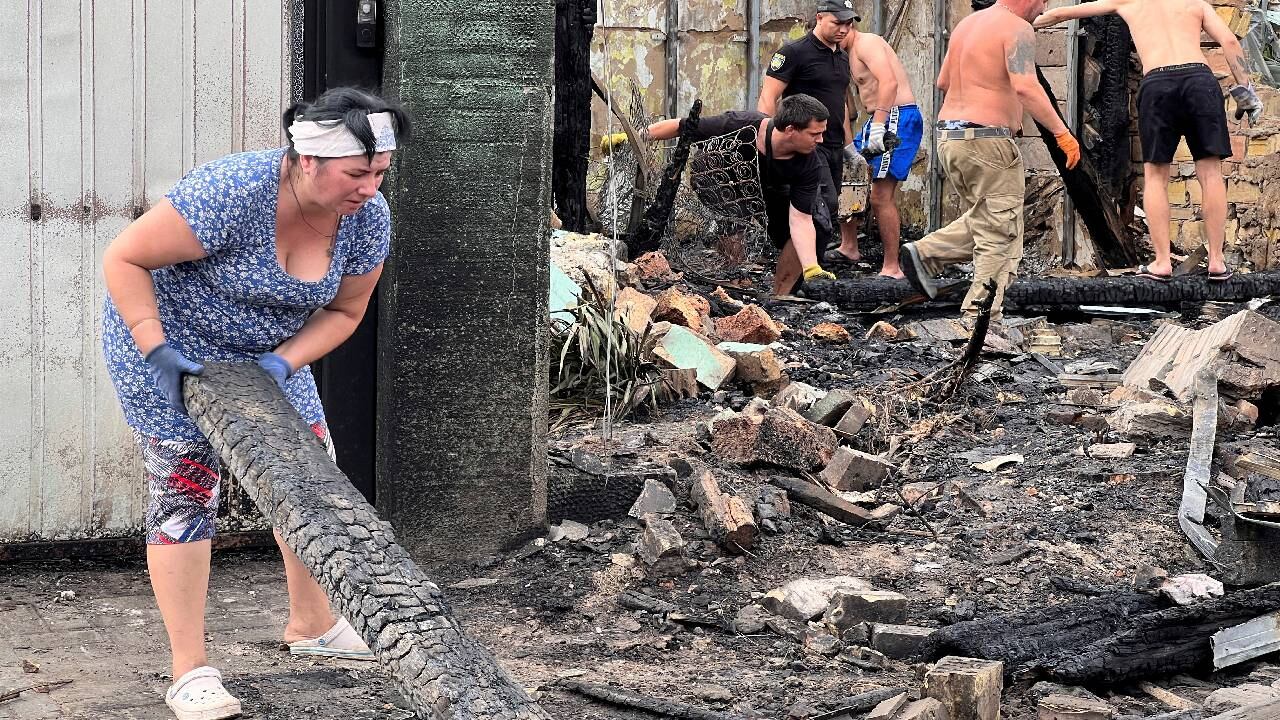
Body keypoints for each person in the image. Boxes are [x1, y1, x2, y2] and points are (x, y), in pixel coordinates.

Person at [101, 87, 410, 720]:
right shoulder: (232, 192)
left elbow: (347, 310)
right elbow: (124, 257)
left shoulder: (368, 219)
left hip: (268, 355)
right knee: (187, 494)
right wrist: (154, 349)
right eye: (358, 173)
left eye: (380, 172)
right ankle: (189, 670)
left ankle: (313, 625)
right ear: (307, 162)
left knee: (308, 475)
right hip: (168, 346)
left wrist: (283, 363)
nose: (371, 189)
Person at [1034, 0, 1261, 282]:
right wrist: (1245, 90)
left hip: (1159, 84)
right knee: (1211, 173)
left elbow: (1060, 13)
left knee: (1156, 177)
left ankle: (1162, 262)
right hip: (1200, 81)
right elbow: (1228, 40)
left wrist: (1016, 25)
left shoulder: (1128, 1)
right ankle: (1217, 261)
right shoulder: (1195, 3)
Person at [898, 0, 1081, 322]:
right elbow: (1026, 86)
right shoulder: (1016, 27)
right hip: (987, 140)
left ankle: (926, 253)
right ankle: (979, 320)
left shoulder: (968, 25)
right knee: (1001, 233)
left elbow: (943, 82)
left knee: (988, 219)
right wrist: (1061, 133)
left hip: (951, 138)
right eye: (1043, 0)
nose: (1045, 6)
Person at [603, 94, 835, 295]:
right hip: (717, 175)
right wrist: (633, 137)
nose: (820, 140)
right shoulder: (741, 125)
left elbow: (801, 220)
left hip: (766, 186)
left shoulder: (809, 163)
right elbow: (682, 126)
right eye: (815, 134)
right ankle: (731, 280)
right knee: (735, 219)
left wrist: (812, 268)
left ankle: (780, 296)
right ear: (791, 130)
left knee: (817, 222)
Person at [758, 0, 856, 273]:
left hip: (832, 143)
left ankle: (809, 271)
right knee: (821, 209)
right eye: (838, 22)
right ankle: (806, 274)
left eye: (849, 24)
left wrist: (849, 147)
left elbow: (841, 104)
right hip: (807, 146)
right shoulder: (794, 53)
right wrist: (766, 138)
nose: (844, 29)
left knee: (829, 210)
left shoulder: (842, 56)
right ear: (819, 18)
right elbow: (769, 96)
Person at [842, 22, 923, 278]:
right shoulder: (844, 54)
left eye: (842, 25)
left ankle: (892, 267)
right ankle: (849, 247)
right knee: (847, 176)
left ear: (848, 24)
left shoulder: (867, 43)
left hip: (896, 117)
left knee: (880, 195)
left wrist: (878, 127)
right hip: (878, 118)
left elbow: (889, 83)